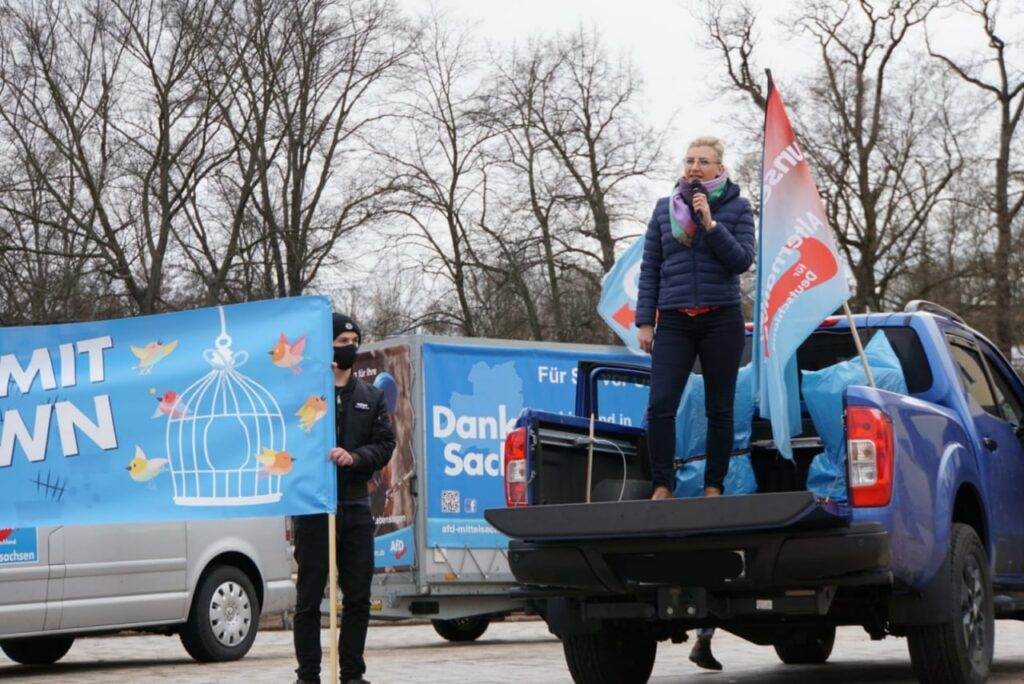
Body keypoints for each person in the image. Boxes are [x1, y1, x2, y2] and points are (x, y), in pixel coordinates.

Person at [635, 136, 755, 670]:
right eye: (688, 161)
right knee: (660, 404)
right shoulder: (665, 209)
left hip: (723, 317)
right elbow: (651, 266)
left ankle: (713, 485)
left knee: (720, 407)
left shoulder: (735, 206)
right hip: (676, 319)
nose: (693, 169)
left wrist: (710, 223)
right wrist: (645, 320)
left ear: (720, 168)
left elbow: (741, 260)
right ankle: (662, 484)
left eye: (702, 162)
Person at [293, 314, 396, 684]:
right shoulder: (307, 395)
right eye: (342, 340)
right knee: (308, 599)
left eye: (354, 339)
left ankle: (352, 674)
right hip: (315, 508)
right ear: (328, 346)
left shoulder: (372, 397)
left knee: (357, 598)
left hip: (355, 505)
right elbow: (290, 441)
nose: (350, 346)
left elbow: (386, 444)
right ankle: (308, 675)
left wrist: (354, 458)